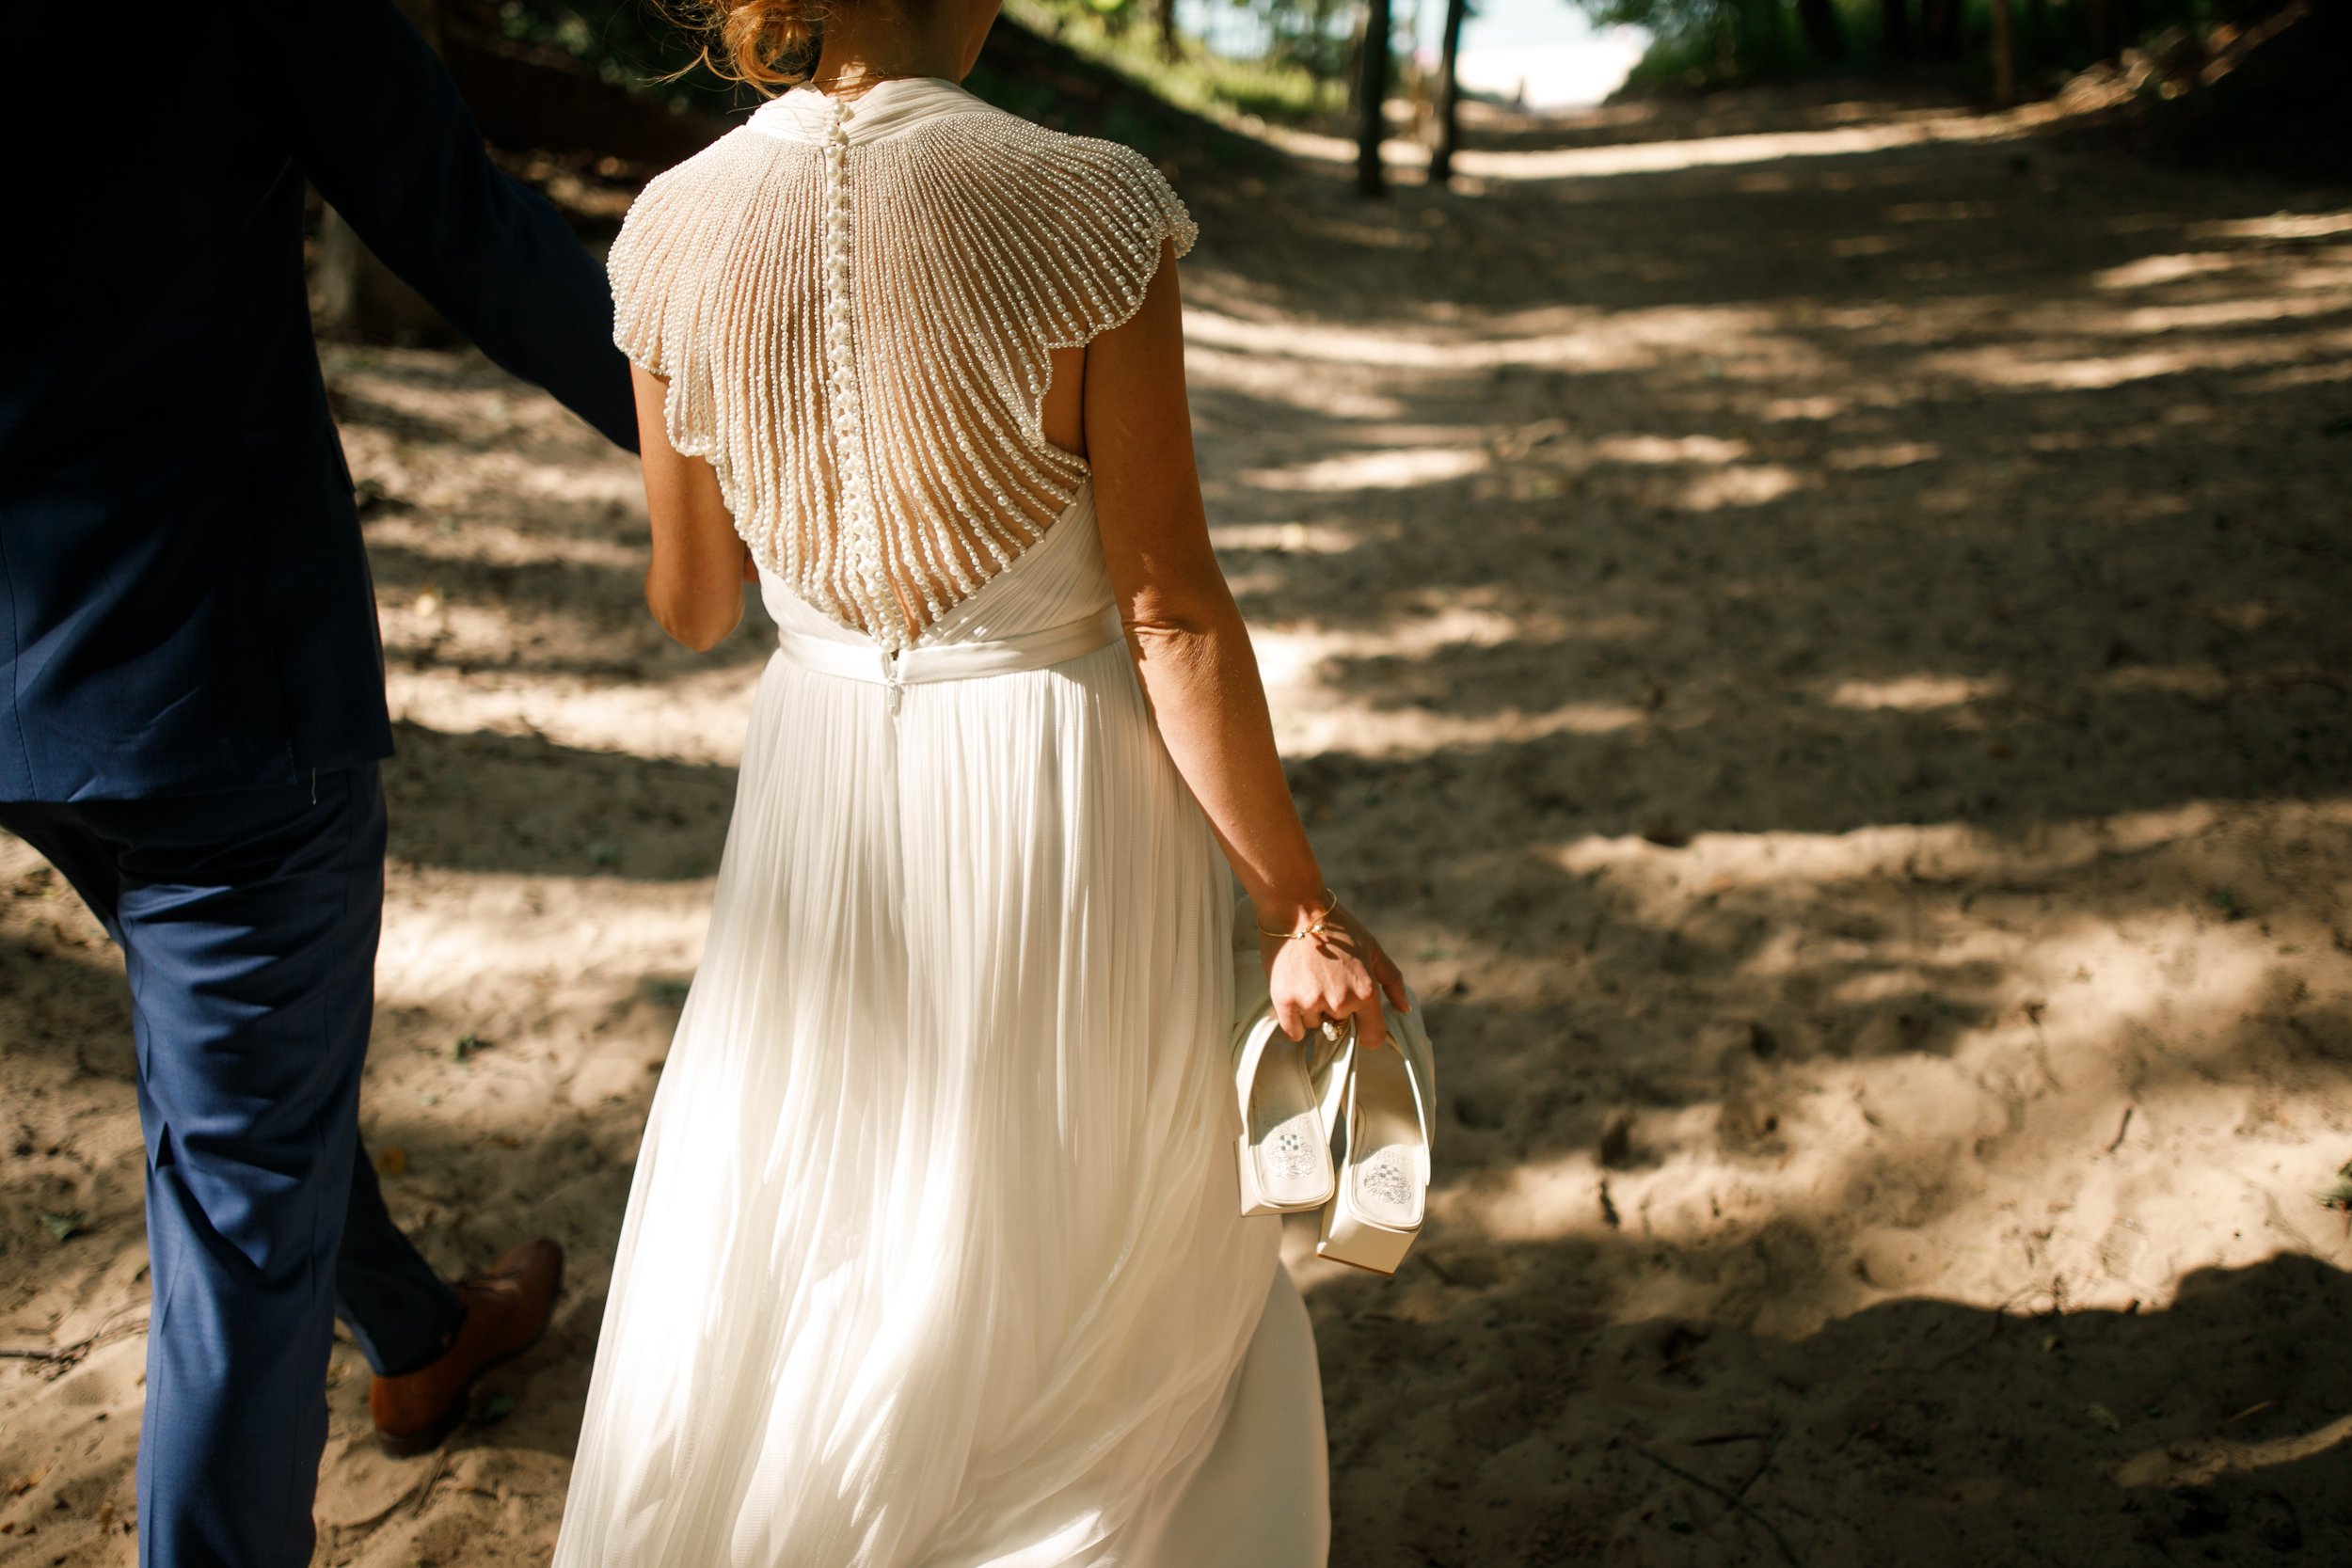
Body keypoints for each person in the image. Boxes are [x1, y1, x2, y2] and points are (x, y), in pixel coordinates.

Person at [549, 0, 1411, 1561]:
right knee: (1074, 1221)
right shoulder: (1090, 204)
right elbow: (1167, 606)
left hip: (820, 783)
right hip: (1053, 780)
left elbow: (691, 605)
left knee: (816, 1209)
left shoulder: (668, 228)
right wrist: (1303, 906)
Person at [0, 3, 640, 1563]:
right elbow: (450, 210)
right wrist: (737, 444)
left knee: (245, 1095)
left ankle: (419, 1335)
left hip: (30, 673)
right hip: (207, 678)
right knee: (235, 1217)